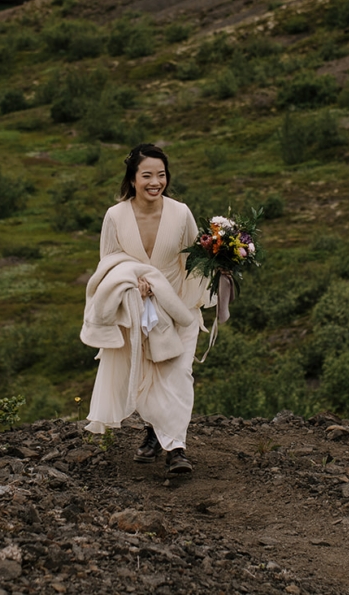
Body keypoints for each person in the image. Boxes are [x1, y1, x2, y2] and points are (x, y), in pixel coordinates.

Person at [80, 144, 210, 474]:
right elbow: (107, 261)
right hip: (135, 308)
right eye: (147, 175)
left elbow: (195, 261)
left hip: (178, 305)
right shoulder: (116, 215)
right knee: (146, 374)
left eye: (161, 175)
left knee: (178, 375)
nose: (156, 182)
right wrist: (131, 276)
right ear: (133, 178)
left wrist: (219, 268)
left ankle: (176, 449)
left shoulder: (181, 213)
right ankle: (154, 432)